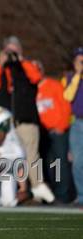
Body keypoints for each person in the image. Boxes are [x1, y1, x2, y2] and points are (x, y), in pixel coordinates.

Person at [0, 36, 54, 203]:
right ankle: (10, 192)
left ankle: (37, 187)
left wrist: (21, 60)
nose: (12, 54)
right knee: (11, 158)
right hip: (8, 125)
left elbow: (36, 77)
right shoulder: (2, 70)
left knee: (31, 155)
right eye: (8, 50)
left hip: (25, 120)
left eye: (14, 50)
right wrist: (0, 63)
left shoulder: (27, 66)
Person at [35, 61, 74, 203]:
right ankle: (49, 194)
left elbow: (65, 107)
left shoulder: (54, 85)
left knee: (59, 163)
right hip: (41, 133)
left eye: (38, 69)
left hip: (57, 131)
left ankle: (62, 194)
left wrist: (61, 126)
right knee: (46, 163)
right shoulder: (30, 88)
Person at [62, 47, 83, 206]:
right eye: (79, 60)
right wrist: (77, 75)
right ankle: (81, 196)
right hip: (76, 123)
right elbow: (68, 96)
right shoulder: (69, 78)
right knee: (77, 161)